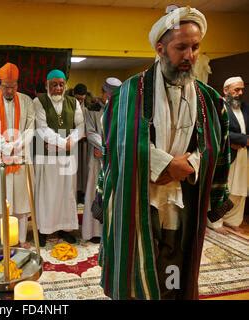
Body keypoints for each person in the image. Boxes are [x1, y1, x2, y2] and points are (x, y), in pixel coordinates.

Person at [98, 6, 233, 300]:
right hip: (140, 199)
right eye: (181, 47)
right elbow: (116, 145)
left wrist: (191, 164)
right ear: (161, 48)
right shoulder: (128, 93)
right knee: (137, 271)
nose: (189, 56)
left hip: (182, 200)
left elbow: (216, 147)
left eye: (195, 47)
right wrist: (163, 164)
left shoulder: (209, 99)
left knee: (173, 270)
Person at [0, 62, 35, 245]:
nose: (9, 91)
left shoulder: (26, 100)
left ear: (17, 85)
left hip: (20, 156)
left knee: (20, 202)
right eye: (6, 87)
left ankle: (19, 241)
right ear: (0, 85)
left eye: (12, 87)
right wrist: (6, 147)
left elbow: (30, 127)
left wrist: (17, 146)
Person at [34, 69, 85, 246]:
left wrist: (71, 140)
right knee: (46, 194)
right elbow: (41, 127)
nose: (57, 88)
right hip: (45, 155)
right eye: (54, 84)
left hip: (67, 156)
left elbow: (80, 125)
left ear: (65, 85)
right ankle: (43, 229)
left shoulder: (73, 102)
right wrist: (64, 143)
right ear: (46, 85)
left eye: (61, 84)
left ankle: (65, 228)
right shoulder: (38, 101)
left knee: (66, 192)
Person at [81, 78, 121, 244]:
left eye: (114, 95)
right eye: (108, 94)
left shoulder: (123, 109)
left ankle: (112, 230)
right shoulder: (92, 110)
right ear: (103, 92)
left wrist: (110, 150)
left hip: (116, 159)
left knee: (114, 194)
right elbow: (90, 132)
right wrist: (105, 149)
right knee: (94, 193)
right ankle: (94, 232)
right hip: (97, 159)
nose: (110, 98)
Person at [208, 77, 247, 234]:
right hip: (226, 155)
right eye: (236, 89)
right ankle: (215, 223)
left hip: (243, 156)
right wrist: (244, 139)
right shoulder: (218, 107)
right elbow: (216, 129)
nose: (240, 93)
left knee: (240, 190)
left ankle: (233, 220)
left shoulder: (245, 108)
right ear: (225, 90)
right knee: (223, 188)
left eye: (242, 89)